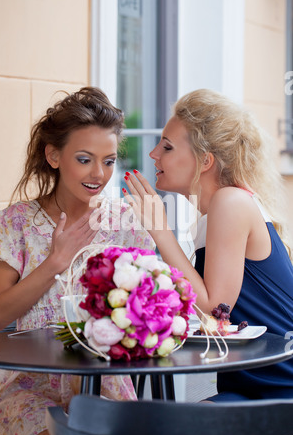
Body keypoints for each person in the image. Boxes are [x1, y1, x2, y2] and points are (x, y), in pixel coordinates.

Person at [0, 87, 154, 435]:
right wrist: (56, 261)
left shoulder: (125, 223)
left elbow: (148, 308)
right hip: (24, 384)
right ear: (53, 156)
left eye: (109, 161)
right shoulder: (14, 224)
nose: (98, 173)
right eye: (84, 159)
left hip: (103, 381)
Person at [123, 88, 293, 402]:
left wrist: (160, 230)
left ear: (205, 161)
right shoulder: (217, 210)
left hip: (279, 391)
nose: (153, 154)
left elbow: (215, 310)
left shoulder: (230, 202)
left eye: (167, 146)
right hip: (248, 390)